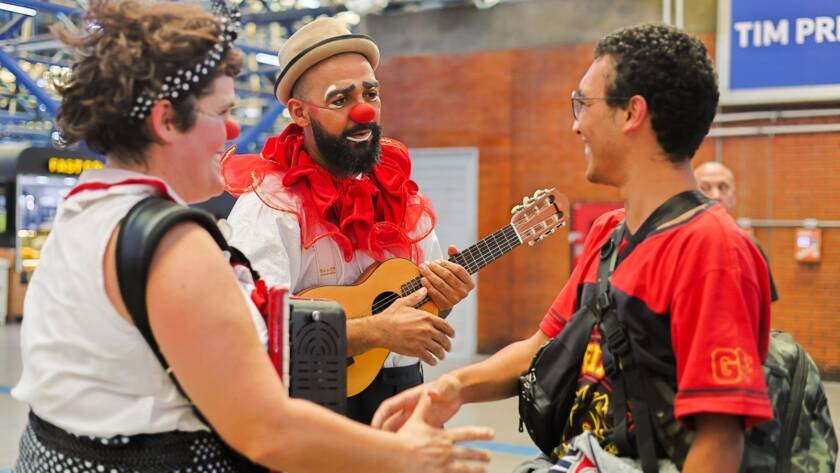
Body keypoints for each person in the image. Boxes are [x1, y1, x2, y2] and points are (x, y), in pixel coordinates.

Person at [11, 1, 492, 472]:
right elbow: (265, 428)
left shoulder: (83, 211)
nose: (232, 131)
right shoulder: (176, 245)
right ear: (164, 121)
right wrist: (409, 457)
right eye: (222, 112)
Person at [373, 24, 774, 473]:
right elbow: (540, 348)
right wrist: (443, 392)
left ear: (631, 114)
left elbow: (718, 444)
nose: (575, 123)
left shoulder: (713, 250)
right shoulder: (609, 233)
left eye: (583, 103)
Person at [221, 18, 475, 424]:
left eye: (370, 93)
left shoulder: (397, 195)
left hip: (401, 394)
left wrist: (440, 301)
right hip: (312, 409)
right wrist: (374, 331)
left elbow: (413, 315)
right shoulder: (272, 206)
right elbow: (252, 331)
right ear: (300, 113)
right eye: (340, 100)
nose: (364, 111)